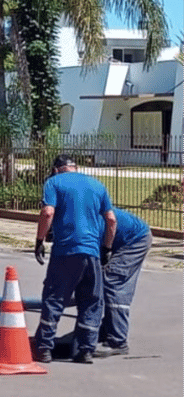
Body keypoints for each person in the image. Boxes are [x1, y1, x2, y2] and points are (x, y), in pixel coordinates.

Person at [33, 155, 117, 364]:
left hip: (66, 251)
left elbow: (47, 212)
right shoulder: (97, 185)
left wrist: (39, 240)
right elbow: (111, 219)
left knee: (54, 298)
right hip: (92, 252)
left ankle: (44, 348)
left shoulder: (53, 182)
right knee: (91, 301)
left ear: (56, 169)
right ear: (75, 167)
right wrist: (106, 248)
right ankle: (85, 350)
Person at [95, 208, 152, 357]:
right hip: (126, 237)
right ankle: (107, 330)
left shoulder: (86, 223)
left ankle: (117, 341)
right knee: (104, 281)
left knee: (114, 283)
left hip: (135, 239)